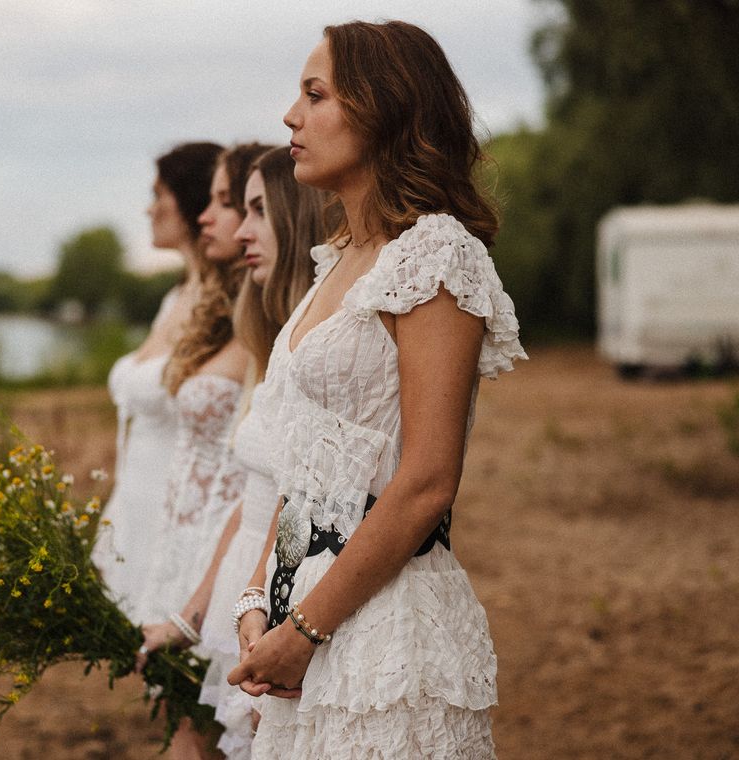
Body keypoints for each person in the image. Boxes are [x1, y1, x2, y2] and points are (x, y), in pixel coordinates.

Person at [227, 21, 527, 759]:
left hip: (383, 624)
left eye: (315, 94)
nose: (290, 117)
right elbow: (303, 460)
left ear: (383, 107)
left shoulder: (434, 253)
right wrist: (257, 597)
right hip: (298, 613)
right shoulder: (338, 261)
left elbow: (427, 481)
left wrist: (305, 632)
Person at [140, 146, 333, 759]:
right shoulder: (266, 330)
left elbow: (294, 498)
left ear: (293, 217)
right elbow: (255, 498)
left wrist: (272, 613)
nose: (237, 226)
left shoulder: (317, 342)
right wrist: (202, 609)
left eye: (252, 209)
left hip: (288, 579)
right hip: (242, 580)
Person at [135, 143, 269, 759]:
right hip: (187, 539)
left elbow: (261, 468)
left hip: (231, 543)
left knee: (203, 740)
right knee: (184, 730)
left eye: (228, 202)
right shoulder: (225, 310)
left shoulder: (267, 315)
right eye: (212, 201)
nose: (210, 218)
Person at [93, 141, 222, 624]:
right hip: (137, 502)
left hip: (182, 513)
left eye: (159, 194)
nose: (149, 208)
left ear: (190, 199)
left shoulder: (221, 305)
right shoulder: (175, 299)